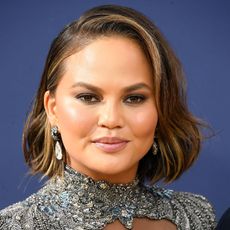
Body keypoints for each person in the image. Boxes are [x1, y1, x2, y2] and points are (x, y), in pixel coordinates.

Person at [0, 4, 216, 230]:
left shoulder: (196, 216)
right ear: (52, 109)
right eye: (88, 97)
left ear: (161, 108)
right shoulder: (16, 225)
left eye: (134, 98)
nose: (111, 119)